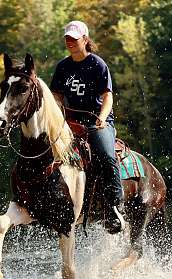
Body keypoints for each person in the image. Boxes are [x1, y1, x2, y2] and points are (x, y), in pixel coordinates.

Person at [50, 20, 125, 234]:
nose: (70, 42)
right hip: (71, 123)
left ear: (85, 39)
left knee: (106, 155)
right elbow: (56, 94)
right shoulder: (63, 66)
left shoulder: (98, 64)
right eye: (67, 39)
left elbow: (107, 96)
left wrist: (102, 117)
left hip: (97, 121)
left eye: (74, 38)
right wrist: (58, 113)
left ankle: (114, 207)